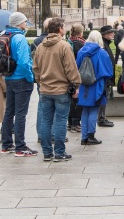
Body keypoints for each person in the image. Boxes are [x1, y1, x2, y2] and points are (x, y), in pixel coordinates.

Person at [33, 18, 81, 162]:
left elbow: (35, 69)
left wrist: (40, 81)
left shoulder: (41, 47)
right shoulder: (64, 46)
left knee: (46, 121)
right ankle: (59, 152)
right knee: (60, 121)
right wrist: (76, 85)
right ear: (59, 29)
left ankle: (47, 152)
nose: (65, 29)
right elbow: (71, 69)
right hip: (61, 90)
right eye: (64, 27)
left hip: (45, 90)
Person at [1, 12, 37, 157]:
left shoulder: (5, 35)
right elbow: (23, 62)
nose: (26, 23)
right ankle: (20, 147)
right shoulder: (20, 38)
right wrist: (30, 77)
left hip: (9, 78)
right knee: (21, 113)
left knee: (9, 111)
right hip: (21, 78)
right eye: (24, 21)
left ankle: (6, 144)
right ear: (18, 23)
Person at [76, 31, 113, 145]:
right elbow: (109, 71)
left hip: (83, 84)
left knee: (85, 109)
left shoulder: (81, 51)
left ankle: (84, 137)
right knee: (94, 109)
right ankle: (91, 135)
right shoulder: (101, 52)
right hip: (97, 84)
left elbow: (76, 67)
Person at [33, 18, 53, 144]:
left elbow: (33, 63)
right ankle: (52, 134)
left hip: (42, 79)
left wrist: (38, 78)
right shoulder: (61, 43)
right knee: (54, 109)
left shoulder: (36, 41)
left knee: (42, 106)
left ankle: (41, 134)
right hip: (54, 81)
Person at [67, 24, 85, 133]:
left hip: (69, 74)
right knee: (77, 100)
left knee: (71, 100)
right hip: (78, 74)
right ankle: (75, 122)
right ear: (81, 33)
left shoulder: (69, 42)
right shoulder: (81, 44)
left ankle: (70, 122)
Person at [98, 25, 117, 128]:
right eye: (111, 33)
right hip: (105, 77)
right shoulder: (103, 46)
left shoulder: (106, 44)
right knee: (103, 98)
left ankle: (102, 117)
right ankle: (101, 118)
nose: (113, 34)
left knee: (104, 98)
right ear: (105, 35)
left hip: (107, 77)